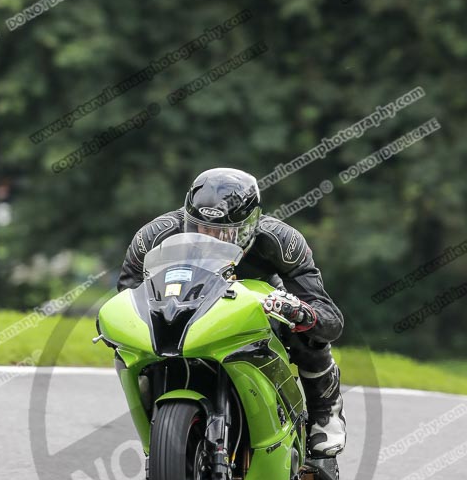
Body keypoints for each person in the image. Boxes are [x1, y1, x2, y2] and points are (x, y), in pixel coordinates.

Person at [117, 167, 346, 457]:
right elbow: (128, 295)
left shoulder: (282, 241)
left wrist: (301, 313)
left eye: (221, 233)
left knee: (305, 331)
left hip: (259, 306)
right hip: (188, 303)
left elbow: (329, 317)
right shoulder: (153, 236)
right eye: (201, 229)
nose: (209, 238)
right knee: (126, 347)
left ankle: (325, 412)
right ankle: (156, 420)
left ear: (250, 225)